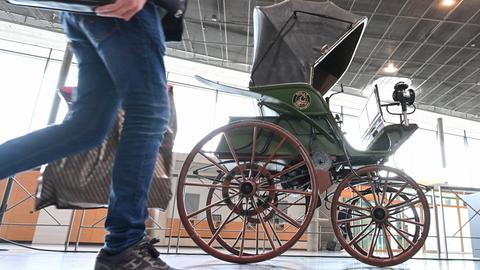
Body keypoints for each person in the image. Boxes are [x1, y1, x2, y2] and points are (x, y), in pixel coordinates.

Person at [0, 0, 182, 269]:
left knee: (86, 128)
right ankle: (125, 245)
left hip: (85, 11)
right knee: (149, 112)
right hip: (123, 11)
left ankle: (124, 247)